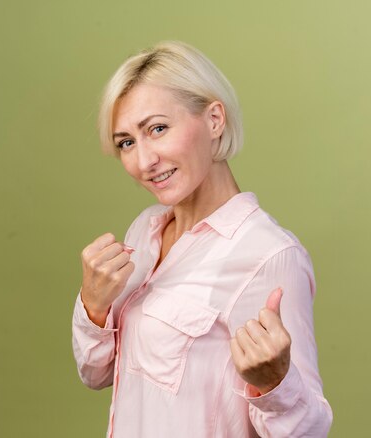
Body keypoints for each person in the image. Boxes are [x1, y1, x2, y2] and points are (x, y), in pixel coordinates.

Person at [71, 41, 332, 437]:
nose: (143, 162)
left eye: (157, 129)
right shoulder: (144, 230)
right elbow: (96, 373)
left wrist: (275, 383)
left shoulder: (269, 255)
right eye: (126, 142)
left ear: (214, 120)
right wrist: (94, 306)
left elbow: (307, 432)